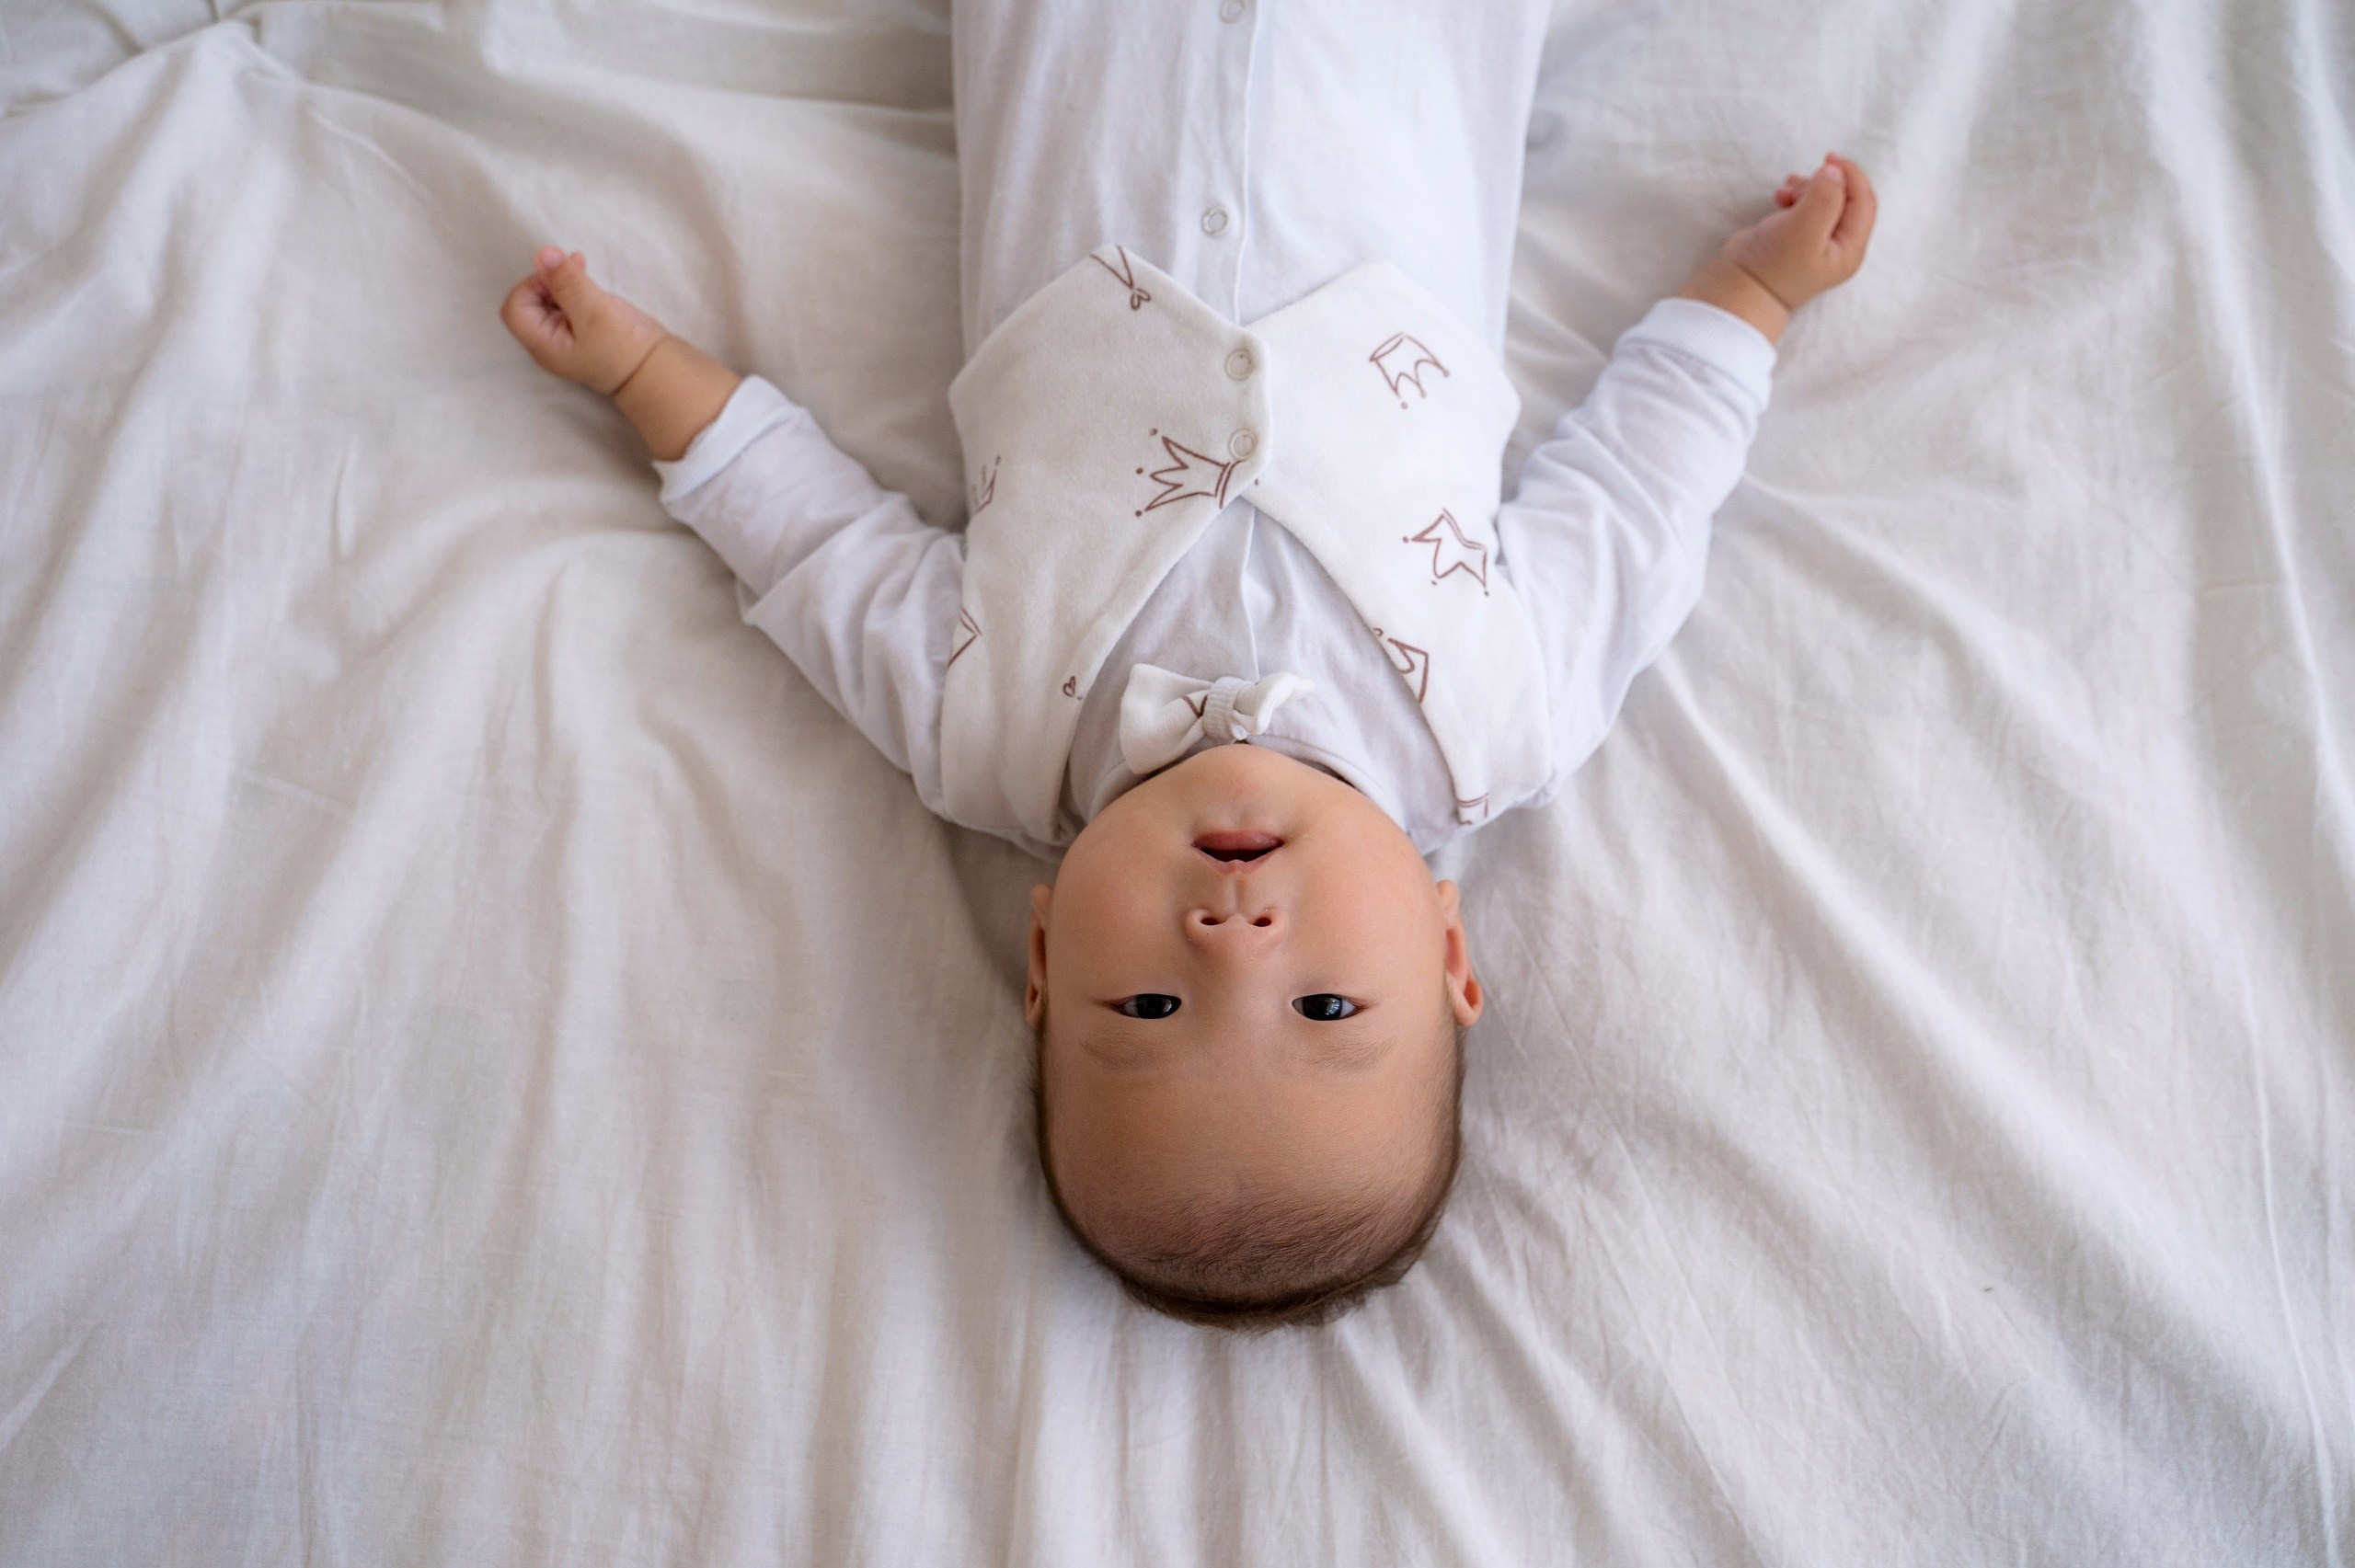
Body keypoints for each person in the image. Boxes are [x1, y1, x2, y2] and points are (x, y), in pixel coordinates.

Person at [500, 0, 1876, 1330]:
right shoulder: (1503, 721)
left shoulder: (985, 737)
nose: (1235, 945)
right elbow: (1638, 497)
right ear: (1450, 953)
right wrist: (1748, 297)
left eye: (1149, 1003)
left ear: (1040, 959)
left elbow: (807, 543)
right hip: (1395, 67)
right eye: (1327, 1004)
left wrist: (644, 376)